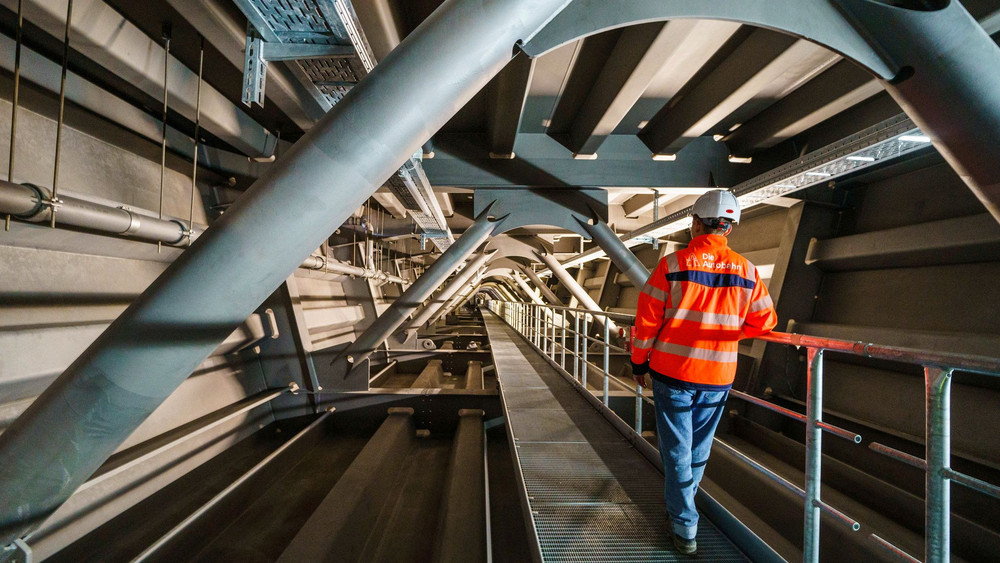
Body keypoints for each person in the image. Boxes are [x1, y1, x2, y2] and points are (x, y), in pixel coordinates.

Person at [630, 189, 777, 555]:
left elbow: (647, 322)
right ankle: (684, 510)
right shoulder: (747, 270)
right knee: (698, 449)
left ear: (695, 223)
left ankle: (684, 524)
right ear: (729, 228)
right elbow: (765, 321)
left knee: (677, 449)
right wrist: (728, 334)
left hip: (673, 372)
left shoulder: (672, 265)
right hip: (718, 375)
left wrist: (639, 362)